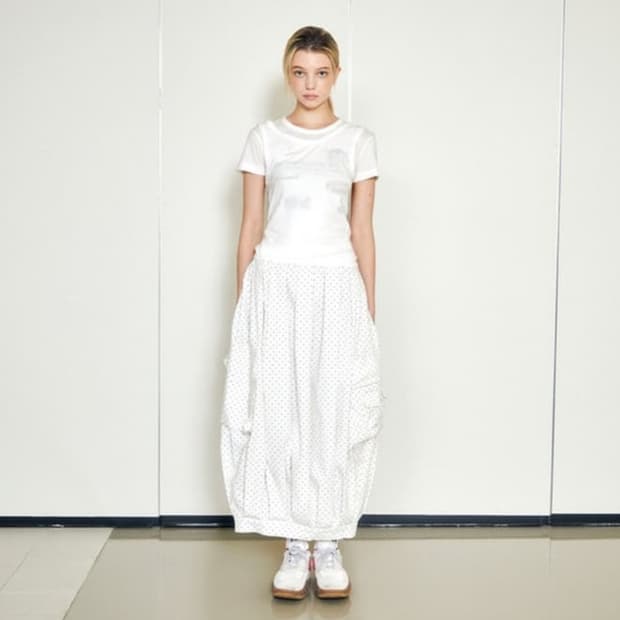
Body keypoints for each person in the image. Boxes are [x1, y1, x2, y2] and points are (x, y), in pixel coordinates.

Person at [220, 24, 385, 601]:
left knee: (331, 408)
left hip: (336, 284)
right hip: (276, 282)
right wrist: (245, 303)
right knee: (280, 408)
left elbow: (362, 231)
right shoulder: (264, 138)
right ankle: (294, 543)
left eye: (320, 73)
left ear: (336, 74)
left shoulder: (357, 141)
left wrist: (367, 307)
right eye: (299, 73)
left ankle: (329, 539)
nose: (310, 84)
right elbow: (249, 227)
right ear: (287, 74)